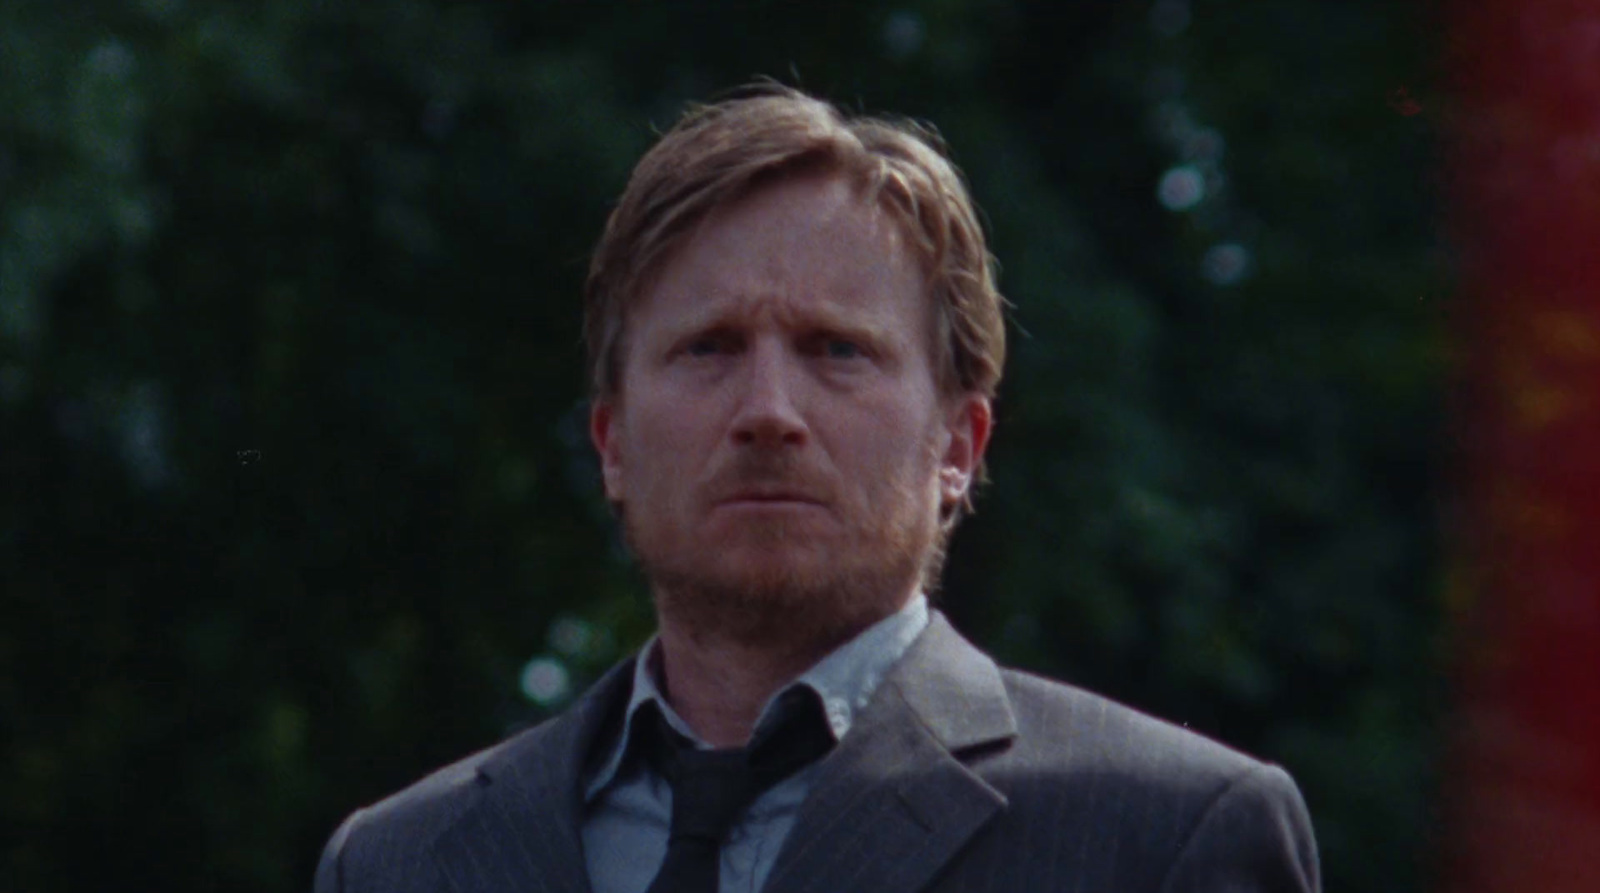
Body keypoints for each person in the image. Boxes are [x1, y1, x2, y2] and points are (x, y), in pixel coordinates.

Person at [314, 84, 1320, 893]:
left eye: (836, 349)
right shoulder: (400, 861)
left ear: (958, 444)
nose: (767, 410)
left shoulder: (1162, 836)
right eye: (708, 347)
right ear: (611, 443)